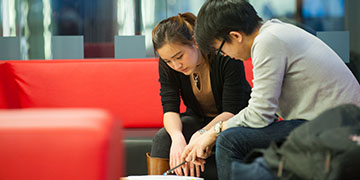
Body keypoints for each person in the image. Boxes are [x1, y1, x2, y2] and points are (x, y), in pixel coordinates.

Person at [181, 1, 360, 180]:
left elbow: (260, 115)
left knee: (230, 140)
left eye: (219, 50)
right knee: (236, 136)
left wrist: (215, 131)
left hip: (336, 127)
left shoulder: (267, 42)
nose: (224, 56)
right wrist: (209, 132)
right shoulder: (274, 32)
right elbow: (263, 110)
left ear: (235, 36)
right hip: (329, 121)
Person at [148, 12, 251, 178]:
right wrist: (177, 138)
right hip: (199, 118)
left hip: (235, 121)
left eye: (179, 56)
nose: (175, 65)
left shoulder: (225, 55)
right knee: (164, 137)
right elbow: (170, 107)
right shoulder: (169, 63)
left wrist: (202, 134)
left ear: (195, 42)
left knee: (223, 139)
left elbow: (231, 111)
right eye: (168, 61)